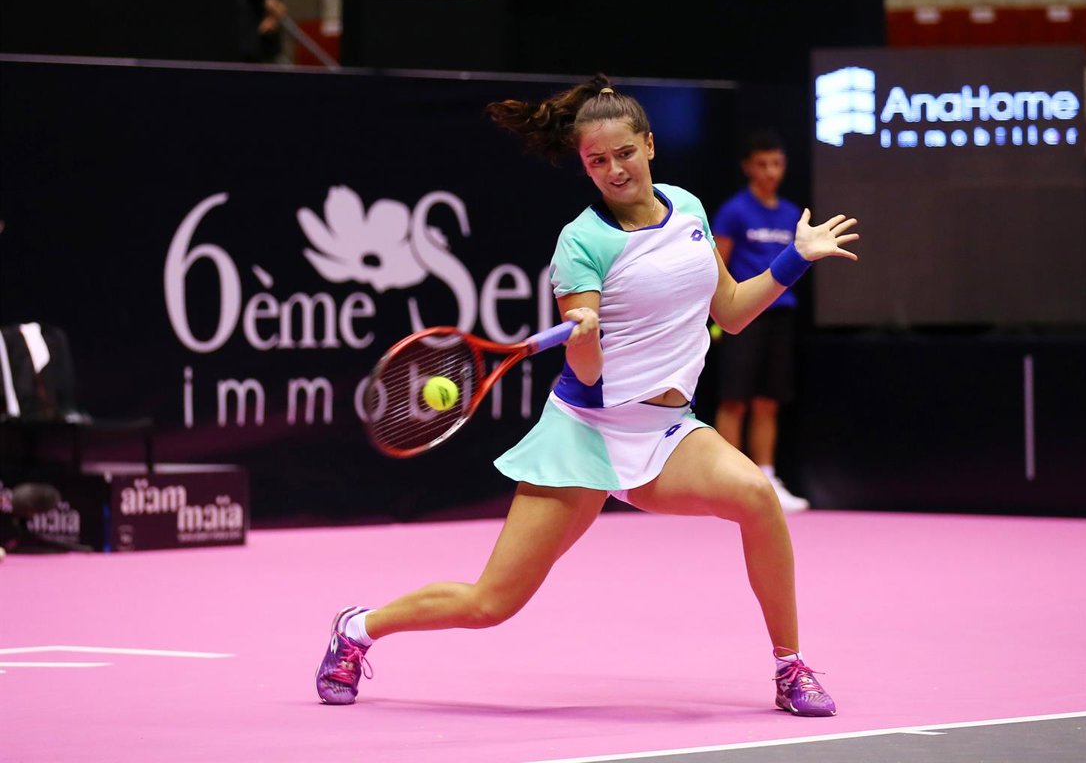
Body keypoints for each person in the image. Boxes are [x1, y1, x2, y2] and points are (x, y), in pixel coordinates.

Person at [315, 74, 860, 718]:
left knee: (757, 499)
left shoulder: (688, 208)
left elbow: (733, 311)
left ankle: (790, 667)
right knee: (491, 603)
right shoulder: (580, 243)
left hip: (666, 432)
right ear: (584, 166)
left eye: (624, 153)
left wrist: (795, 259)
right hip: (585, 432)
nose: (614, 170)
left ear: (649, 145)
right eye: (597, 161)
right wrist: (584, 337)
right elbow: (591, 376)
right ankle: (359, 628)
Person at [712, 131, 811, 511]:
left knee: (768, 402)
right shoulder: (733, 211)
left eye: (777, 163)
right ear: (748, 167)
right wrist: (718, 317)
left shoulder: (791, 214)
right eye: (762, 164)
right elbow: (718, 266)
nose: (770, 171)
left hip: (781, 316)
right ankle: (726, 481)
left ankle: (766, 478)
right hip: (743, 316)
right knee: (734, 400)